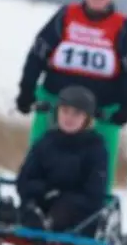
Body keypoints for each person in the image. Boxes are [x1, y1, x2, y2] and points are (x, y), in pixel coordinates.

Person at [15, 0, 127, 190]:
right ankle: (31, 196)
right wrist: (27, 90)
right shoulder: (66, 15)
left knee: (99, 159)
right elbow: (38, 54)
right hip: (56, 99)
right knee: (41, 150)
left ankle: (92, 204)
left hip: (101, 107)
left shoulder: (122, 27)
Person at [15, 85, 109, 234]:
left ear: (87, 118)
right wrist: (42, 191)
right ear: (57, 112)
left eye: (76, 113)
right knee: (30, 202)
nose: (69, 118)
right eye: (65, 111)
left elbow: (95, 192)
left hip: (76, 212)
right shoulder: (46, 141)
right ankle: (26, 219)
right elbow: (26, 178)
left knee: (65, 208)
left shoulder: (95, 148)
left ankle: (47, 223)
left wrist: (62, 196)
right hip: (43, 198)